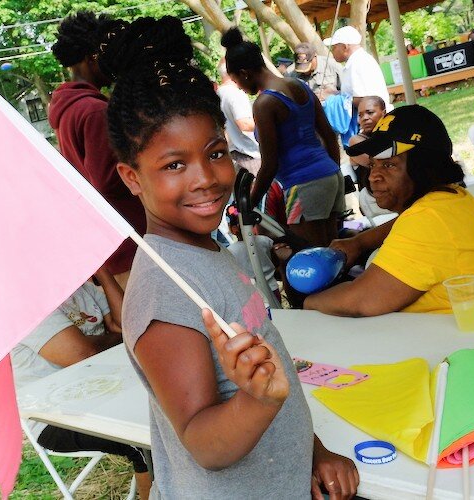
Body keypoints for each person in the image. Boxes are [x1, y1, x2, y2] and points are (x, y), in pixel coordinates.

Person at [100, 16, 358, 499]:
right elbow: (204, 443)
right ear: (132, 179)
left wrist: (314, 450)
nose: (205, 178)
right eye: (174, 165)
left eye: (215, 153)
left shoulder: (209, 251)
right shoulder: (163, 293)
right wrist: (258, 403)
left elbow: (271, 372)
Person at [304, 105, 474, 316]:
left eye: (389, 165)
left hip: (465, 342)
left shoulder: (426, 219)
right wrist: (360, 242)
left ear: (424, 167)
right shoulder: (451, 198)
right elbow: (406, 221)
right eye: (373, 165)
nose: (372, 176)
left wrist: (309, 304)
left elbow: (361, 301)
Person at [11, 266, 151, 499]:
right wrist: (118, 337)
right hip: (54, 417)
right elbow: (82, 353)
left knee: (161, 413)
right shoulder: (26, 303)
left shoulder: (81, 287)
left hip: (104, 393)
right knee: (144, 438)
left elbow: (127, 324)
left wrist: (104, 271)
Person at [48, 11, 146, 288]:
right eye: (104, 54)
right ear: (91, 57)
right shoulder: (93, 110)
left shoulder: (69, 106)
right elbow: (106, 179)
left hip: (110, 236)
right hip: (128, 238)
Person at [221, 27, 344, 249]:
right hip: (329, 175)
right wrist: (330, 169)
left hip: (303, 183)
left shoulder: (265, 104)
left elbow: (270, 164)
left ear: (245, 73)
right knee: (333, 252)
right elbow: (328, 134)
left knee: (309, 260)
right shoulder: (299, 86)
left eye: (236, 80)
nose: (238, 86)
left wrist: (248, 203)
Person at [324, 26, 392, 112]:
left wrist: (332, 99)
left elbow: (364, 100)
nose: (332, 51)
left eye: (334, 47)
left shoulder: (359, 62)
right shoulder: (356, 61)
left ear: (345, 47)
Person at [216, 61, 261, 175]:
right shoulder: (235, 93)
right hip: (250, 155)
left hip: (237, 153)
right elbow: (244, 124)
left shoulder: (219, 93)